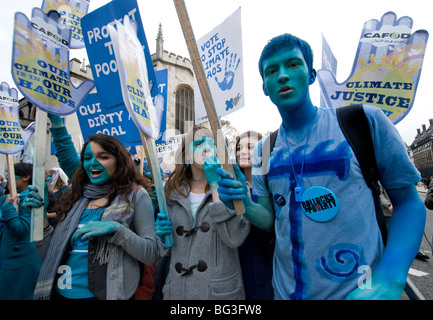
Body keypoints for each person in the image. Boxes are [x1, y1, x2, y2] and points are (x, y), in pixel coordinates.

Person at [215, 33, 426, 300]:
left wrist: (391, 277)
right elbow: (271, 220)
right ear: (265, 88)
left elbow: (408, 203)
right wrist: (243, 202)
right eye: (272, 70)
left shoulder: (363, 121)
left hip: (358, 293)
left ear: (311, 74)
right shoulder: (262, 150)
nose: (282, 75)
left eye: (293, 64)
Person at [33, 114, 159, 300]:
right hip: (59, 293)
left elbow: (151, 254)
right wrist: (39, 217)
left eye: (103, 156)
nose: (93, 162)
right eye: (87, 158)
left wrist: (117, 230)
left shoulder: (135, 195)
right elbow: (48, 253)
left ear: (119, 160)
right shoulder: (76, 196)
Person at [155, 125, 250, 299]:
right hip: (177, 291)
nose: (207, 147)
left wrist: (215, 185)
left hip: (217, 293)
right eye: (198, 143)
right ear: (186, 156)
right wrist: (162, 236)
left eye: (212, 143)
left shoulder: (233, 185)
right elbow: (163, 250)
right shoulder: (171, 191)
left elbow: (234, 238)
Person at [235, 130, 274, 300]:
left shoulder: (273, 187)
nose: (242, 151)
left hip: (265, 264)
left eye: (250, 147)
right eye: (238, 147)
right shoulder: (228, 189)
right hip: (236, 263)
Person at [0, 163, 43, 299]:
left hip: (20, 265)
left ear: (25, 177)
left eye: (10, 175)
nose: (7, 179)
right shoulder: (10, 197)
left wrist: (8, 206)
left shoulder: (30, 199)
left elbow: (21, 229)